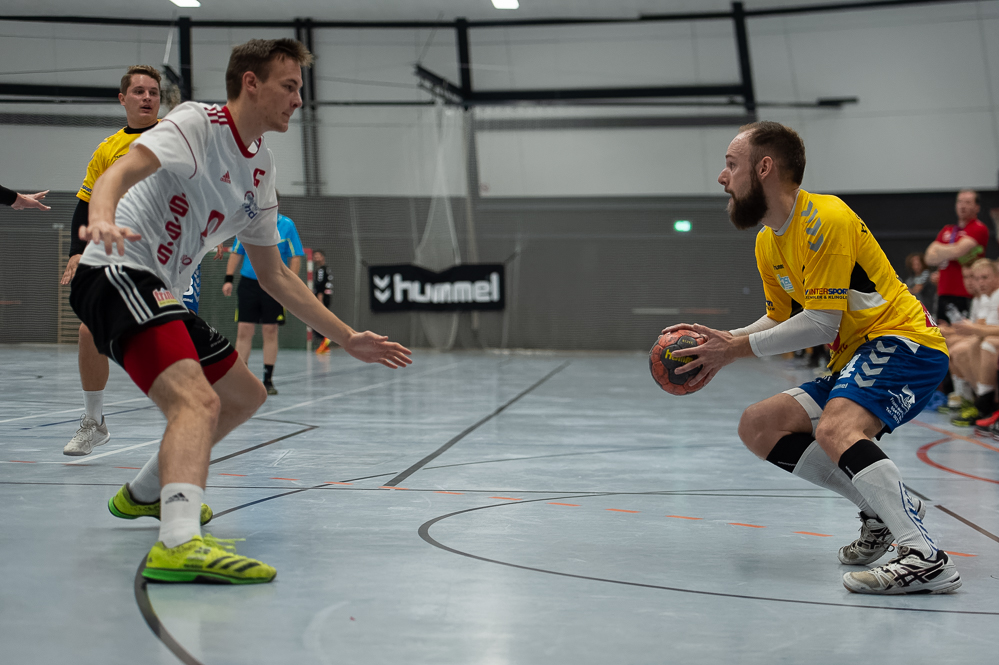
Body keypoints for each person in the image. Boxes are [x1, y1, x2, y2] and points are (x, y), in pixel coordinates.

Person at [71, 38, 412, 584]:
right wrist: (103, 218)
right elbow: (121, 170)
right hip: (118, 271)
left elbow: (275, 274)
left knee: (244, 395)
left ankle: (145, 493)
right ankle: (178, 542)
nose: (298, 99)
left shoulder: (261, 168)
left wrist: (347, 337)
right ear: (251, 83)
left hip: (161, 289)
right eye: (289, 86)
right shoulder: (197, 123)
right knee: (196, 400)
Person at [663, 121, 960, 595]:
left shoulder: (826, 218)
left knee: (836, 428)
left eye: (731, 164)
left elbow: (820, 323)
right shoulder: (768, 240)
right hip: (856, 353)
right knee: (759, 425)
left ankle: (925, 558)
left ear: (764, 168)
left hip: (904, 341)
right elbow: (779, 317)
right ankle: (882, 511)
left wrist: (735, 349)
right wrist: (725, 340)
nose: (722, 176)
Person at [58, 66, 164, 456]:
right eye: (139, 91)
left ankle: (185, 422)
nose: (147, 97)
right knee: (89, 332)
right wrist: (76, 250)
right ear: (123, 99)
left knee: (167, 341)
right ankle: (94, 421)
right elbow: (84, 204)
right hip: (119, 253)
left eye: (153, 92)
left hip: (169, 256)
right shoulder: (108, 149)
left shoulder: (176, 138)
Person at [221, 194, 304, 394]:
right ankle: (241, 379)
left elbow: (295, 256)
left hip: (274, 286)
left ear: (277, 203)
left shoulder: (286, 225)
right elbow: (236, 252)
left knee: (270, 330)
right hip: (249, 284)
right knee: (244, 330)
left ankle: (268, 379)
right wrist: (228, 278)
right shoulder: (248, 222)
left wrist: (290, 284)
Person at [925, 190, 987, 323]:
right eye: (960, 202)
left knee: (963, 330)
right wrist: (952, 250)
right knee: (942, 330)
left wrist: (940, 249)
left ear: (977, 207)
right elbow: (928, 258)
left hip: (965, 293)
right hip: (943, 291)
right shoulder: (948, 229)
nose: (962, 206)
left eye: (968, 202)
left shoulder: (978, 228)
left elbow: (958, 251)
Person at [312, 249, 334, 354]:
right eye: (314, 256)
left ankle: (325, 341)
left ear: (323, 257)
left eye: (318, 256)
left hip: (322, 298)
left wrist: (319, 300)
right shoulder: (326, 269)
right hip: (326, 297)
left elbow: (320, 286)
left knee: (320, 320)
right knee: (323, 319)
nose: (316, 258)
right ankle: (325, 342)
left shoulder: (321, 270)